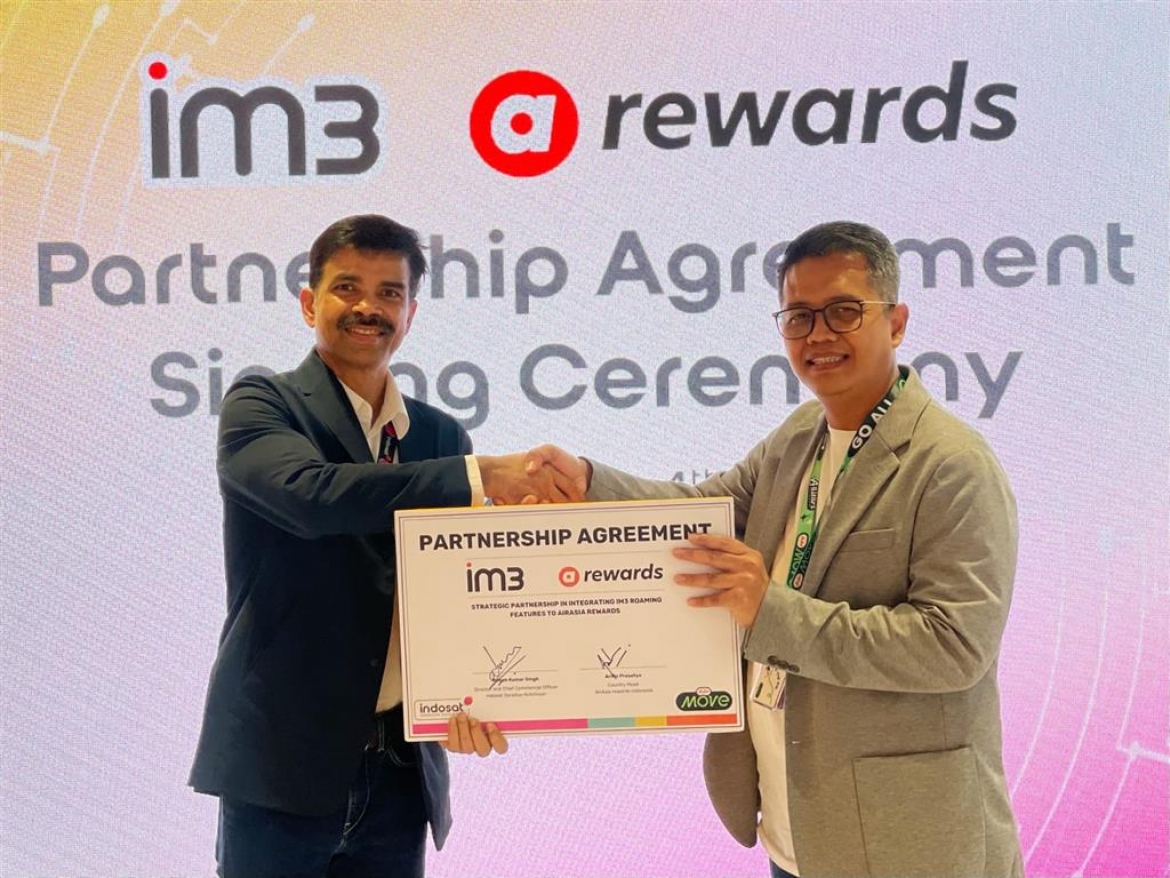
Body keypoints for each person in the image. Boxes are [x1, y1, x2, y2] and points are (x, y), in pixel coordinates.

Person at [530, 221, 1023, 877]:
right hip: (797, 833)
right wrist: (589, 483)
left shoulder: (952, 464)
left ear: (896, 322)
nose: (818, 334)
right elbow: (703, 515)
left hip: (906, 843)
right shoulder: (801, 435)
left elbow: (954, 646)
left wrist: (771, 611)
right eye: (798, 317)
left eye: (843, 311)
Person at [189, 214, 577, 878]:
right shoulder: (263, 404)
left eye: (389, 293)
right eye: (347, 287)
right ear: (309, 302)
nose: (368, 307)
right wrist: (481, 477)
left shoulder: (439, 436)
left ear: (410, 314)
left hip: (400, 773)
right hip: (282, 768)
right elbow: (311, 497)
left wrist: (479, 694)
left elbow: (461, 592)